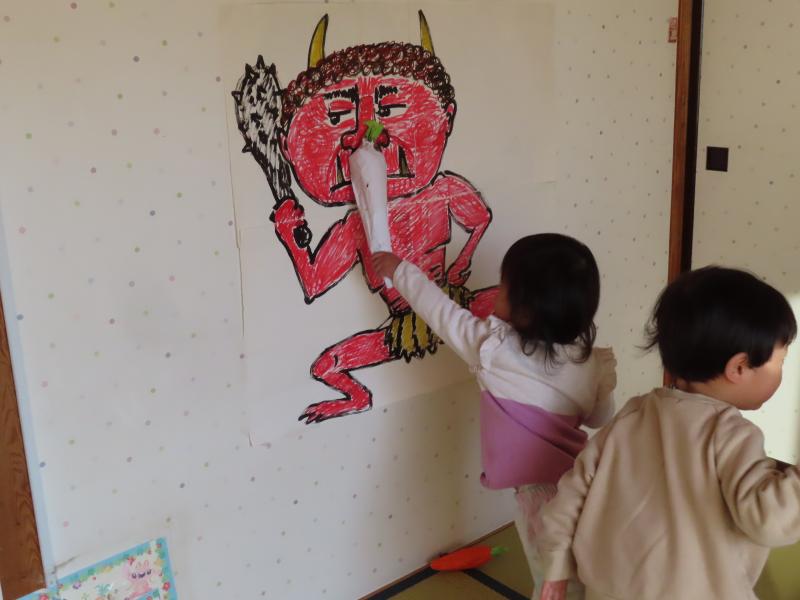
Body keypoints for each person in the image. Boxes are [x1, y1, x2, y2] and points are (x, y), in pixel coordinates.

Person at [373, 233, 617, 600]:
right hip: (582, 481)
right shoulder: (591, 361)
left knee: (551, 577)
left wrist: (399, 269)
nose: (494, 294)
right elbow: (600, 417)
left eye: (502, 288)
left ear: (527, 311)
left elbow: (439, 311)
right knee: (578, 566)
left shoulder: (493, 349)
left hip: (539, 497)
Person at [538, 266, 800, 600]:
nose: (781, 373)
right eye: (780, 362)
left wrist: (557, 564)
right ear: (738, 367)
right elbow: (770, 520)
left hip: (608, 588)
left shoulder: (632, 414)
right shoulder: (732, 433)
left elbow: (571, 493)